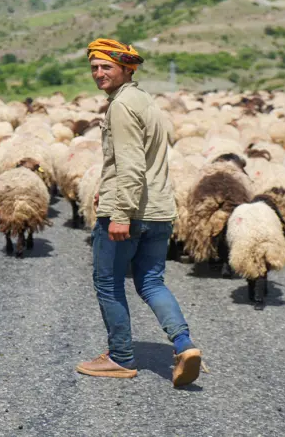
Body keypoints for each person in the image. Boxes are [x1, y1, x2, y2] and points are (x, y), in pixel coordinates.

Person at [75, 38, 201, 387]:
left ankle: (120, 357)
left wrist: (120, 214)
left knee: (108, 282)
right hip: (159, 210)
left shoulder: (121, 106)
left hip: (129, 212)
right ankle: (184, 345)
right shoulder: (145, 100)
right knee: (150, 281)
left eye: (106, 67)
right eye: (94, 68)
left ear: (126, 68)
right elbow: (135, 160)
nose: (98, 73)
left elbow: (130, 165)